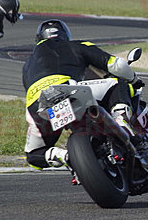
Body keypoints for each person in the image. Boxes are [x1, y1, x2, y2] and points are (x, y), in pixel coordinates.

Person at [22, 19, 139, 169]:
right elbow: (116, 65)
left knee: (32, 155)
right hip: (67, 90)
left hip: (37, 104)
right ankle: (122, 121)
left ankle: (63, 156)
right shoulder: (76, 46)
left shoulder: (27, 65)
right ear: (65, 35)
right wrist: (134, 79)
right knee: (118, 83)